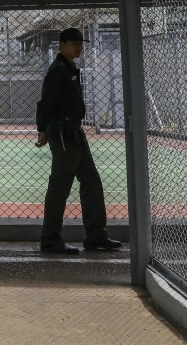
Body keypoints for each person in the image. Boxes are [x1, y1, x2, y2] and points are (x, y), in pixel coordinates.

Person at [36, 27, 122, 254]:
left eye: (80, 43)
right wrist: (42, 130)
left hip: (73, 131)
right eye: (74, 43)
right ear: (62, 45)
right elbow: (45, 102)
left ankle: (95, 235)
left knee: (91, 182)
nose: (78, 46)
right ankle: (51, 238)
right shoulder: (58, 71)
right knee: (60, 186)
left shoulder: (69, 68)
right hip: (64, 133)